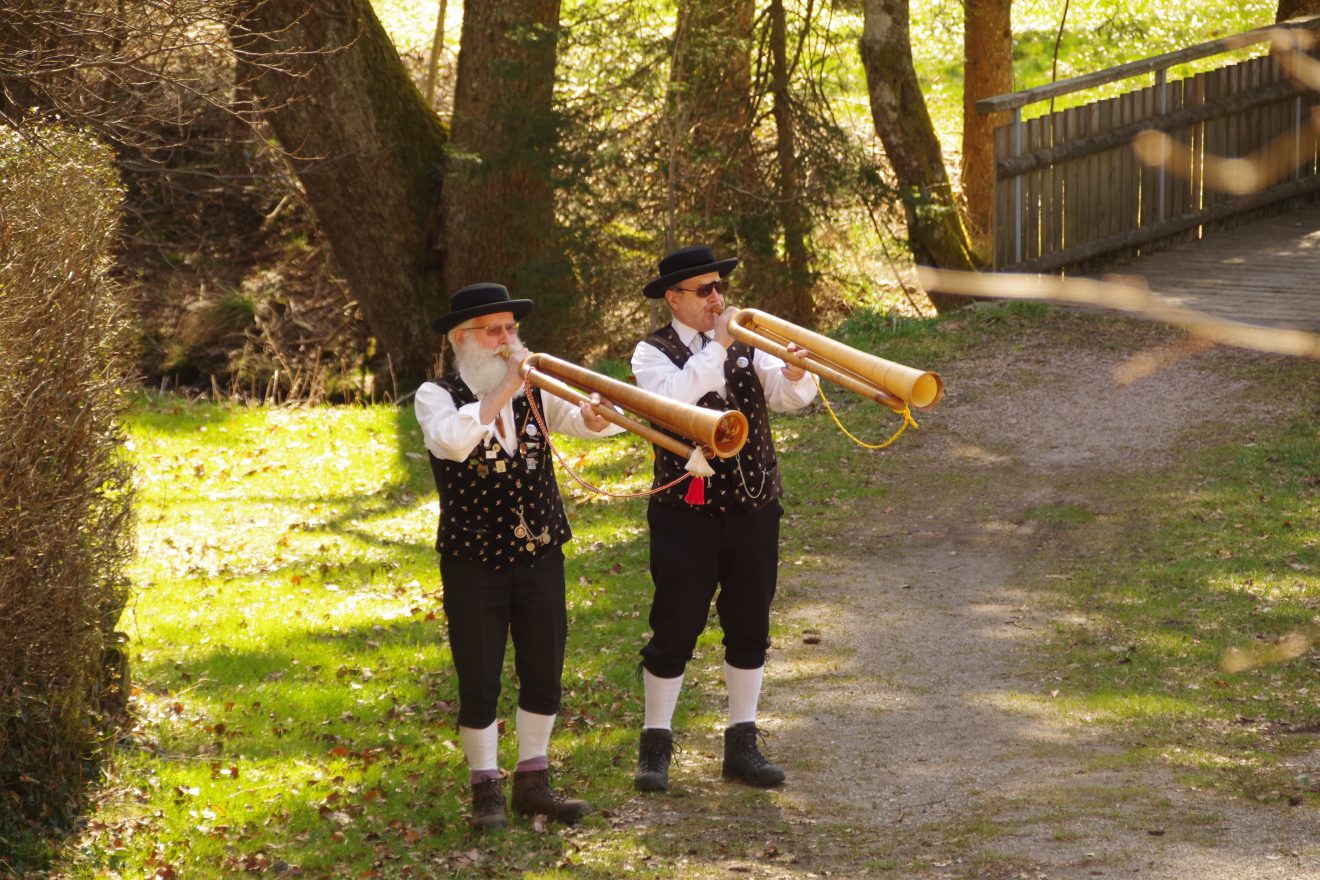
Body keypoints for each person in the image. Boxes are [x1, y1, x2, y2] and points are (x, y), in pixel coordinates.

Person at [415, 282, 623, 831]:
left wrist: (596, 417)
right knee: (480, 677)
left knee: (543, 669)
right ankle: (486, 787)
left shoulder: (534, 390)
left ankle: (534, 780)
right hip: (473, 560)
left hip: (540, 553)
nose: (508, 339)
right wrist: (508, 386)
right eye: (494, 330)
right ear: (463, 339)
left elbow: (581, 422)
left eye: (511, 328)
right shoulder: (435, 395)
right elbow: (454, 443)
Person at [629, 245, 816, 792]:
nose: (718, 299)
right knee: (674, 628)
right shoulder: (651, 353)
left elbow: (786, 398)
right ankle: (655, 746)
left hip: (755, 506)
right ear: (674, 298)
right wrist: (722, 343)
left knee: (750, 626)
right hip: (684, 515)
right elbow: (676, 398)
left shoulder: (742, 343)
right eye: (705, 290)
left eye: (719, 288)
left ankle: (742, 744)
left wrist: (798, 371)